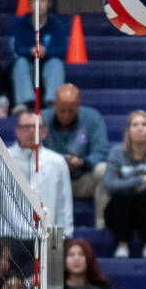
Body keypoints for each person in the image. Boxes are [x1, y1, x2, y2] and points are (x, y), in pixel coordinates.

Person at [103, 110, 146, 258]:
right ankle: (122, 245)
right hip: (120, 209)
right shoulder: (117, 151)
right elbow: (109, 184)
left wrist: (125, 183)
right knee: (123, 196)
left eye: (144, 124)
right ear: (128, 130)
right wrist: (140, 180)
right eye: (135, 124)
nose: (140, 128)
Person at [45, 83, 109, 225]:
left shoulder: (92, 117)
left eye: (71, 111)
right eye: (62, 111)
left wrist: (83, 162)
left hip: (82, 177)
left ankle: (101, 225)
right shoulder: (42, 119)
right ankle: (44, 228)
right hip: (52, 180)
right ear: (54, 105)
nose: (66, 115)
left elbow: (102, 151)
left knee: (104, 170)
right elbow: (35, 152)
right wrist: (57, 162)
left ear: (79, 105)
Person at [5, 109, 73, 236]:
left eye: (36, 127)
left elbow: (64, 205)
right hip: (11, 239)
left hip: (47, 237)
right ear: (17, 131)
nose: (31, 131)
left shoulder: (57, 162)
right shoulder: (1, 159)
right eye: (26, 127)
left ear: (44, 132)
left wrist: (65, 238)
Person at [8, 0, 67, 112]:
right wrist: (30, 51)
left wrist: (45, 51)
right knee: (20, 63)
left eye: (43, 0)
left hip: (48, 65)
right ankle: (25, 103)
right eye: (35, 0)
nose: (39, 4)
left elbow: (61, 49)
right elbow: (17, 48)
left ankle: (52, 102)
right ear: (29, 4)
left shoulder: (58, 25)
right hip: (29, 64)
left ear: (49, 3)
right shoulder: (20, 25)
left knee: (56, 64)